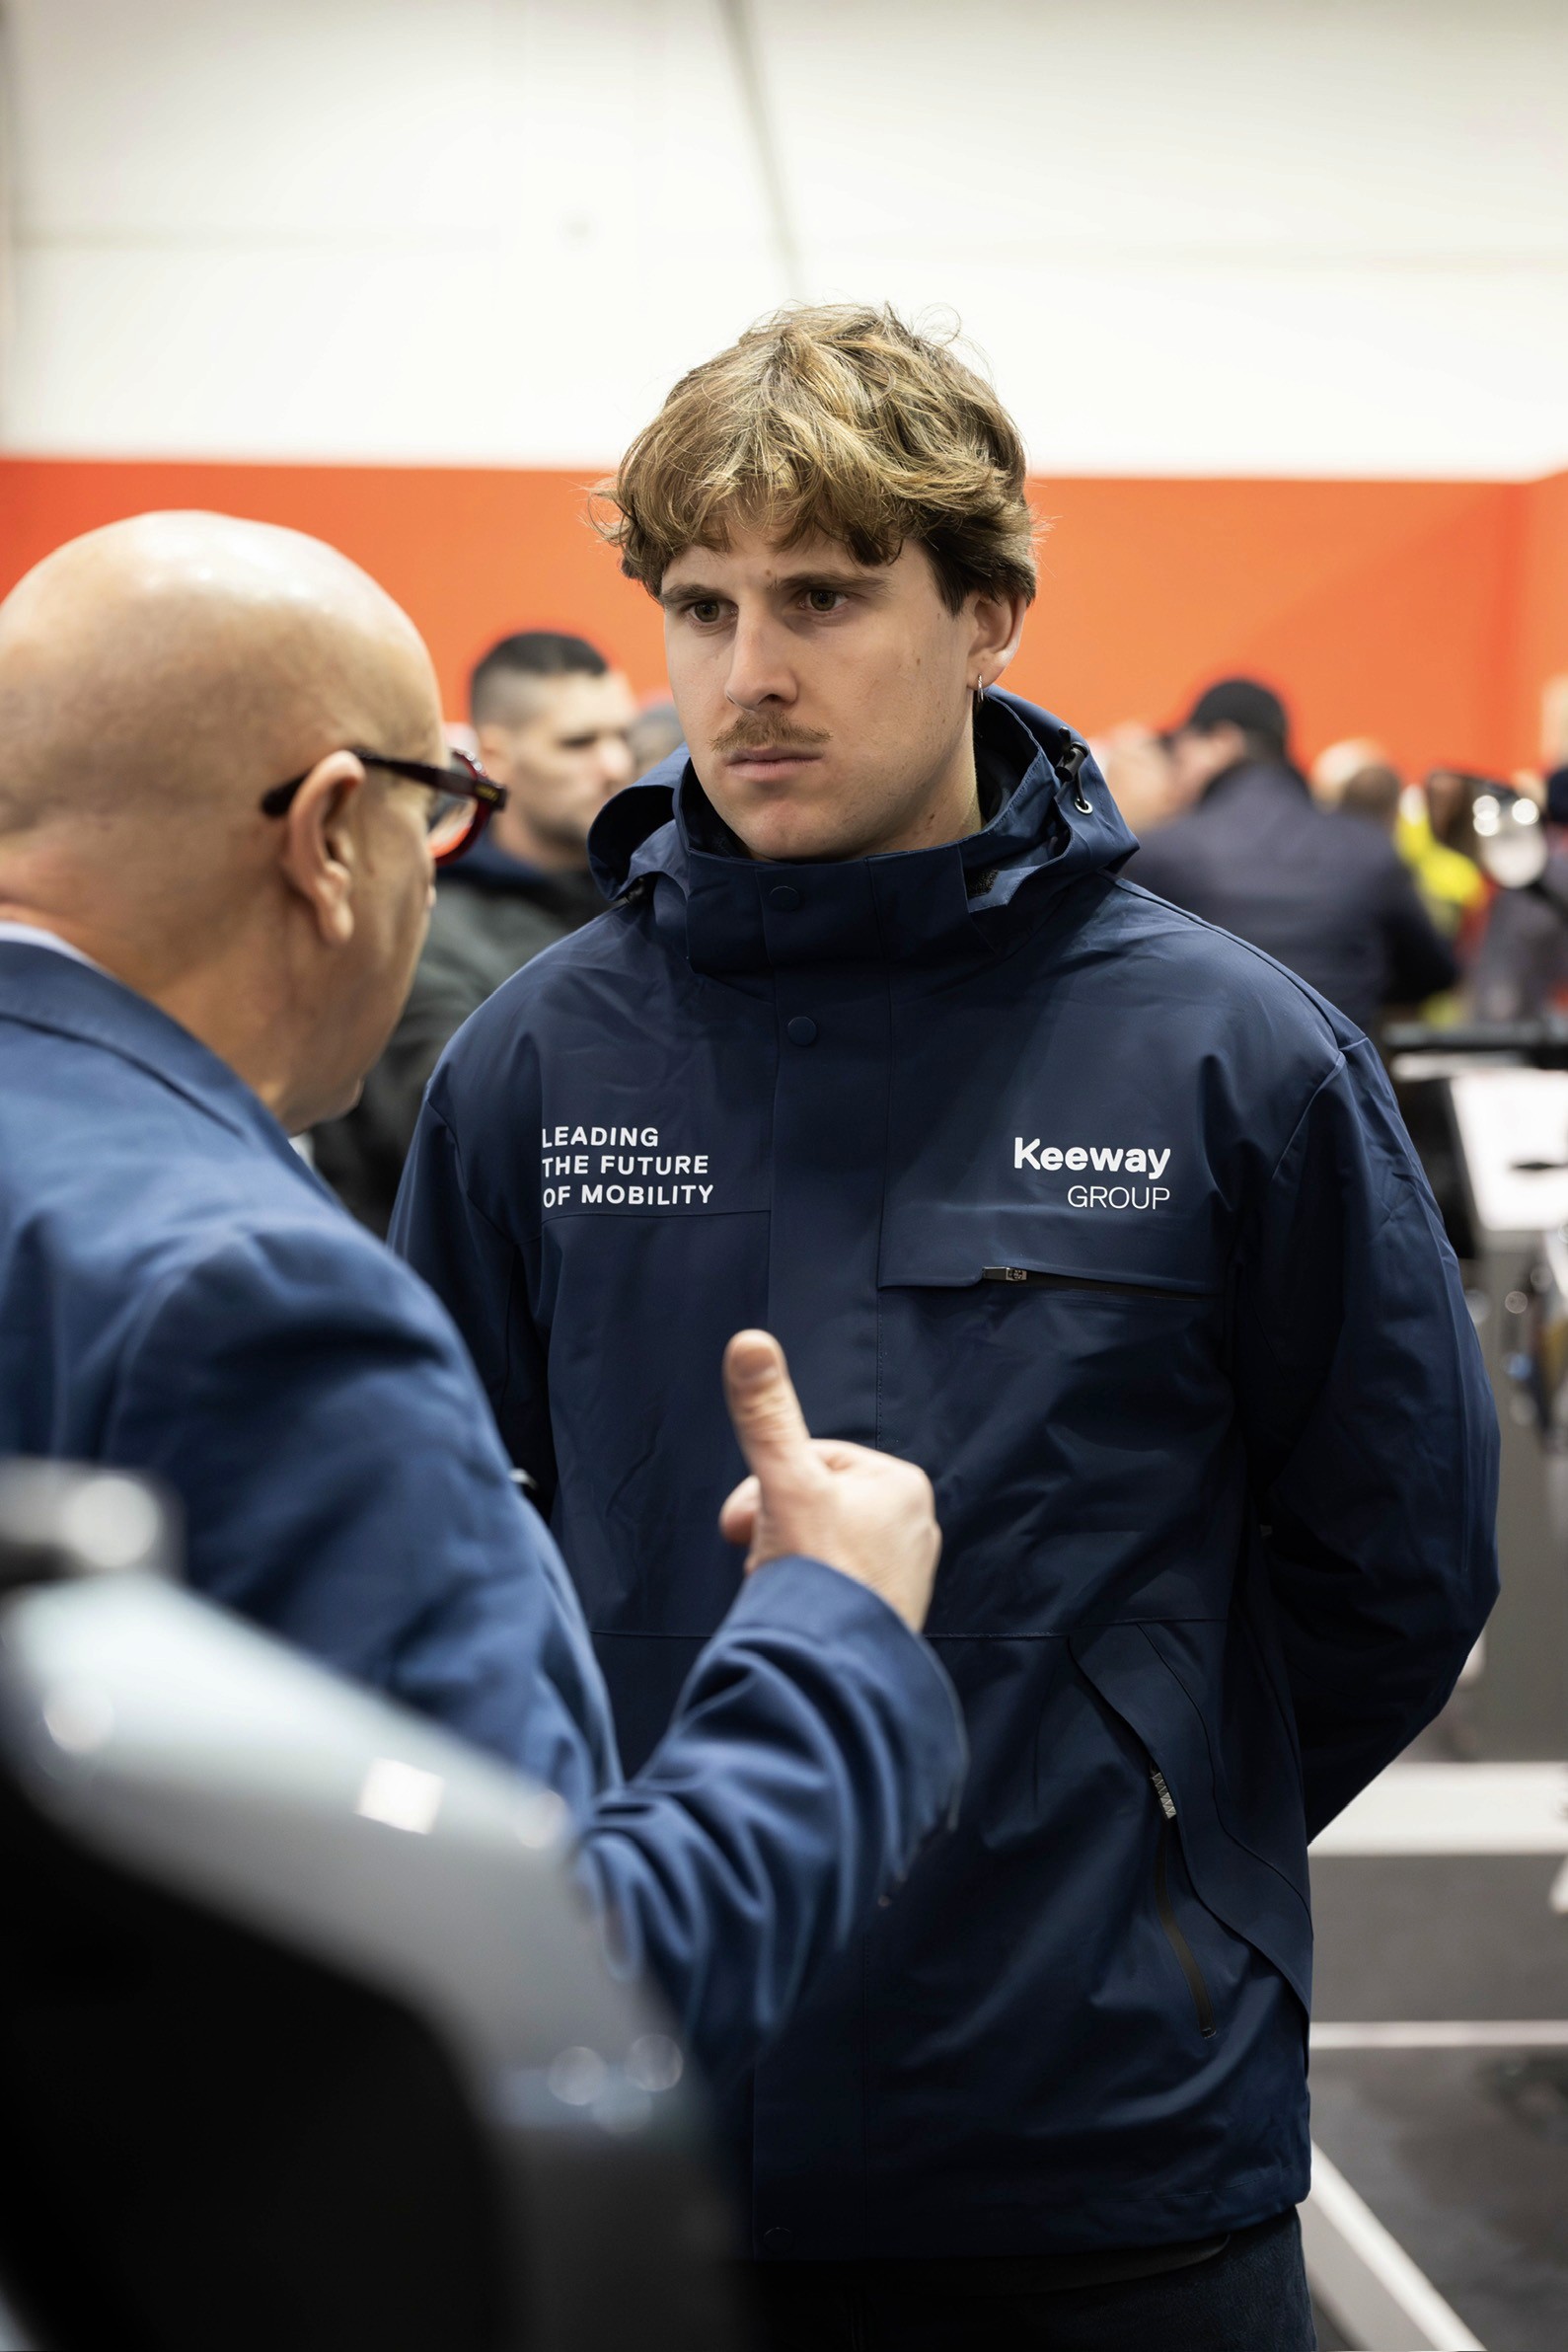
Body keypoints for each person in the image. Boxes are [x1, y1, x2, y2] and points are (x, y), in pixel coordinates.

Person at [394, 305, 1498, 2350]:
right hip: (645, 2133)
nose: (749, 672)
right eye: (699, 604)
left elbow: (1394, 1568)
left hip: (1107, 2152)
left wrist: (1137, 1827)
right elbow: (429, 1570)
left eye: (822, 594)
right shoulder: (533, 1066)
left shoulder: (1230, 1057)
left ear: (986, 610)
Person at [0, 510, 968, 2094]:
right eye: (436, 811)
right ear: (328, 834)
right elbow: (550, 1989)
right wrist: (834, 1631)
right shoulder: (254, 1296)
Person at [314, 630, 635, 1232]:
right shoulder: (425, 930)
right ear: (499, 755)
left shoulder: (657, 901)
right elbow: (463, 1141)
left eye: (623, 736)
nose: (614, 765)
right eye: (577, 743)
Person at [1131, 678, 1457, 1033]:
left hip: (1206, 1080)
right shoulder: (1367, 848)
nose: (1178, 772)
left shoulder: (1160, 853)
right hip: (1338, 1076)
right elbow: (1435, 973)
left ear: (1223, 741)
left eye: (1183, 753)